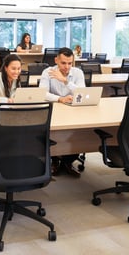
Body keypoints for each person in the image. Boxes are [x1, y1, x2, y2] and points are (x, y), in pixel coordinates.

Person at [39, 47, 85, 177]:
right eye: (63, 63)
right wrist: (60, 98)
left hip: (73, 111)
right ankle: (55, 160)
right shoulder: (48, 72)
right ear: (56, 60)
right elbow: (42, 93)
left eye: (70, 63)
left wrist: (65, 81)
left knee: (79, 132)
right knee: (54, 132)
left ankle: (67, 162)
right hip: (54, 110)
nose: (67, 67)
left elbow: (83, 93)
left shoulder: (77, 73)